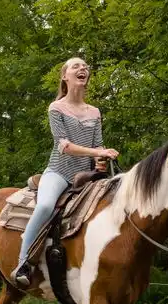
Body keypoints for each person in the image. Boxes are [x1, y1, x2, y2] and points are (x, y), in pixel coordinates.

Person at [12, 56, 119, 287]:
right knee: (45, 206)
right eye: (76, 66)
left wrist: (101, 158)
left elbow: (98, 144)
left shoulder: (95, 112)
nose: (83, 69)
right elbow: (64, 146)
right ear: (64, 76)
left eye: (85, 67)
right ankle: (23, 262)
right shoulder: (56, 107)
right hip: (59, 172)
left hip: (87, 176)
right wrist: (97, 152)